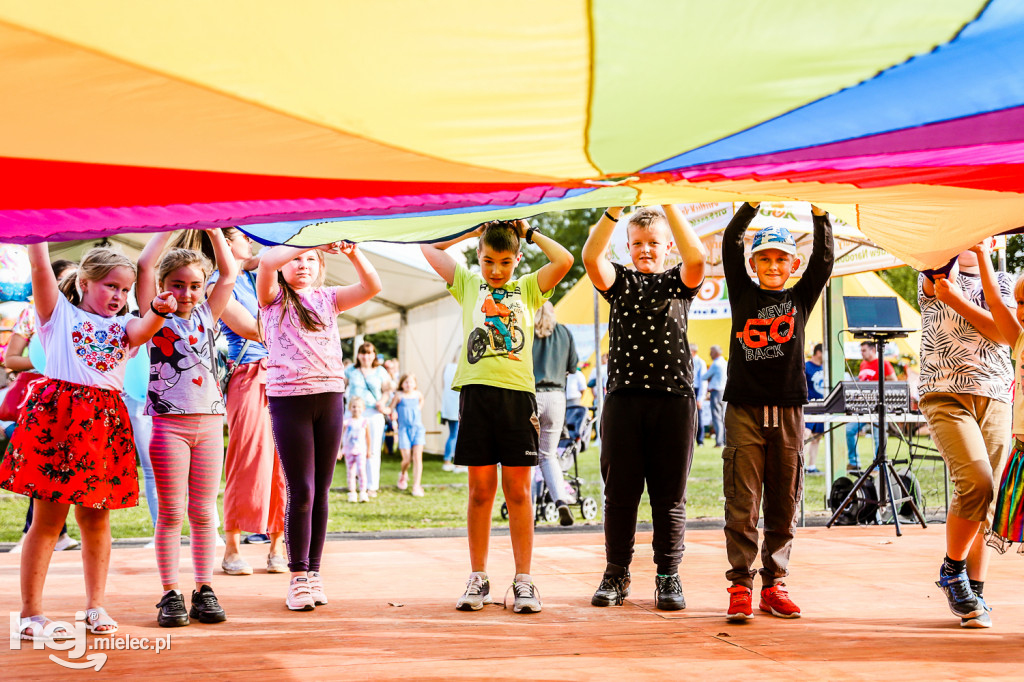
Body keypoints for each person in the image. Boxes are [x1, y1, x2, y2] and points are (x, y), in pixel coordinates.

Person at [1, 243, 170, 640]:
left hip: (104, 425)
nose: (119, 296)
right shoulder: (57, 314)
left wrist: (159, 309)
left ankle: (95, 605)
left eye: (126, 290)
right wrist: (36, 235)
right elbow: (40, 266)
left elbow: (147, 326)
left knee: (96, 519)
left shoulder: (126, 326)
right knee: (46, 522)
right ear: (83, 282)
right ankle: (31, 614)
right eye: (111, 286)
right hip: (57, 423)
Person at [421, 218, 573, 614]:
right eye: (489, 261)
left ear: (517, 260)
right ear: (479, 257)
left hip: (518, 400)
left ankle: (524, 580)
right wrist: (471, 233)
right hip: (476, 396)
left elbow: (565, 259)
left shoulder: (528, 289)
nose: (496, 270)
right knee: (480, 492)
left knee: (519, 491)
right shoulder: (470, 284)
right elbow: (429, 248)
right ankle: (479, 576)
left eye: (505, 262)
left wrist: (530, 232)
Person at [582, 205, 706, 611]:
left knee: (670, 497)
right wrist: (613, 211)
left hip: (674, 401)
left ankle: (668, 575)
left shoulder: (678, 283)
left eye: (654, 243)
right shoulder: (619, 281)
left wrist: (669, 204)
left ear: (667, 246)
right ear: (628, 246)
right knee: (620, 495)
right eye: (638, 244)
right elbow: (590, 258)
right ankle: (616, 572)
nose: (646, 250)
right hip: (624, 400)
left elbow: (697, 258)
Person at [721, 202, 833, 622]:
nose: (772, 265)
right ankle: (739, 585)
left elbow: (824, 261)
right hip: (744, 410)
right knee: (743, 500)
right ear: (752, 263)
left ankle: (775, 584)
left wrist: (820, 216)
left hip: (787, 411)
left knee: (784, 500)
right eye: (764, 258)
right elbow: (732, 241)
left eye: (780, 259)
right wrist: (750, 206)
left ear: (793, 264)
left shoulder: (801, 298)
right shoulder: (742, 291)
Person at [258, 240, 380, 611]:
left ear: (322, 267)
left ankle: (313, 573)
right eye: (295, 259)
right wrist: (306, 241)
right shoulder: (272, 298)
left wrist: (354, 252)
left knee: (322, 490)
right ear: (284, 266)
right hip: (288, 401)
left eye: (311, 260)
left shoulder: (329, 298)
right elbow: (265, 261)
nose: (303, 264)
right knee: (303, 489)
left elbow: (373, 286)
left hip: (329, 397)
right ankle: (296, 578)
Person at [138, 229, 237, 628]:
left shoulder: (207, 313)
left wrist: (213, 229)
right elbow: (145, 264)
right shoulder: (154, 315)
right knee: (170, 512)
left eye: (195, 286)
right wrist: (168, 223)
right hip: (168, 425)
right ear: (163, 286)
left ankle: (204, 588)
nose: (187, 293)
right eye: (177, 285)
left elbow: (228, 274)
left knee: (203, 512)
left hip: (211, 422)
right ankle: (170, 593)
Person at [920, 246, 1013, 628]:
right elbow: (937, 276)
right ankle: (952, 570)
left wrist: (960, 297)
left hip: (996, 395)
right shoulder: (935, 273)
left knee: (991, 497)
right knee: (975, 482)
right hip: (945, 392)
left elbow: (1003, 333)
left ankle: (974, 590)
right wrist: (952, 290)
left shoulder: (1003, 281)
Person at [208, 228, 288, 577]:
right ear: (226, 242)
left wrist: (316, 241)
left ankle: (277, 546)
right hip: (249, 371)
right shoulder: (217, 281)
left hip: (284, 372)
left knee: (285, 466)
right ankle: (232, 547)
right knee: (248, 460)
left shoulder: (257, 275)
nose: (251, 241)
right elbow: (249, 327)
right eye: (243, 236)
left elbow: (276, 253)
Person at [4, 260, 79, 554]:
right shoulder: (31, 314)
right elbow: (11, 359)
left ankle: (58, 533)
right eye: (65, 278)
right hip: (40, 403)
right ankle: (33, 533)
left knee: (65, 470)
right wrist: (48, 360)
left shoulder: (89, 314)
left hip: (77, 404)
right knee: (44, 468)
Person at [977, 242, 1024, 563]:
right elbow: (994, 300)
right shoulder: (1020, 340)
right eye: (1020, 302)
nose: (1022, 310)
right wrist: (982, 254)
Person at [532, 301, 580, 526]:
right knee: (548, 456)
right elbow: (572, 366)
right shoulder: (564, 332)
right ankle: (560, 500)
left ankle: (529, 508)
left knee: (526, 457)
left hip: (530, 395)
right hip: (557, 397)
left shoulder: (525, 331)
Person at [345, 342, 392, 497]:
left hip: (373, 412)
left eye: (369, 353)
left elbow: (387, 390)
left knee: (372, 449)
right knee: (353, 447)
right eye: (363, 353)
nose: (366, 356)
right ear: (358, 355)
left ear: (374, 355)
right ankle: (354, 483)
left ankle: (372, 485)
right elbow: (339, 386)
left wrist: (382, 402)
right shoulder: (351, 370)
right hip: (354, 414)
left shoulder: (380, 371)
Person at [845, 340, 896, 471]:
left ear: (873, 350)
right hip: (863, 407)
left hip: (878, 407)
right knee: (849, 430)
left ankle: (878, 466)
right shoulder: (863, 364)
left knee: (879, 437)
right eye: (861, 350)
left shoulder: (884, 363)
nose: (861, 353)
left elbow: (894, 382)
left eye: (864, 350)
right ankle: (854, 462)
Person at [390, 372, 426, 497]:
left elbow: (421, 401)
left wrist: (417, 410)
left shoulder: (418, 395)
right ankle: (403, 474)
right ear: (402, 384)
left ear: (415, 384)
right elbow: (391, 408)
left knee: (417, 457)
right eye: (406, 382)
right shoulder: (399, 396)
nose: (408, 384)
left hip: (418, 429)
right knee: (406, 459)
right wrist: (390, 412)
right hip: (403, 430)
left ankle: (416, 485)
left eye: (411, 382)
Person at [440, 348, 466, 473]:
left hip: (448, 406)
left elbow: (443, 386)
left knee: (452, 434)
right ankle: (455, 464)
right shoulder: (462, 368)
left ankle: (448, 461)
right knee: (456, 435)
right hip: (457, 406)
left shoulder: (447, 367)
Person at [341, 396, 371, 503]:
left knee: (361, 471)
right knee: (351, 472)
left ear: (363, 408)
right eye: (354, 407)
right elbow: (341, 436)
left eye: (358, 407)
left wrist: (369, 450)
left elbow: (368, 437)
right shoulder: (347, 422)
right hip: (349, 451)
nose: (356, 409)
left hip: (361, 451)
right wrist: (340, 450)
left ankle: (363, 491)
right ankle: (352, 492)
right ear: (349, 408)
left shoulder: (364, 422)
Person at [804, 344, 825, 475]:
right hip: (808, 406)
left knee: (817, 438)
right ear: (818, 352)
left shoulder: (825, 368)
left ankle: (811, 466)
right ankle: (802, 465)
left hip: (823, 406)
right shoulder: (806, 367)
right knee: (805, 435)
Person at [703, 345, 727, 447]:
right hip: (724, 391)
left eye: (711, 352)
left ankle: (719, 441)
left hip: (716, 392)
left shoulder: (716, 364)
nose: (710, 354)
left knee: (717, 418)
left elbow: (705, 376)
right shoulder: (725, 363)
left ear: (716, 353)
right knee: (723, 417)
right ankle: (725, 440)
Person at [691, 344, 707, 446]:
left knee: (699, 417)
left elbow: (703, 381)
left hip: (696, 390)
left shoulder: (700, 362)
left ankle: (700, 440)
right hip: (690, 389)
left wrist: (700, 398)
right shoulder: (687, 361)